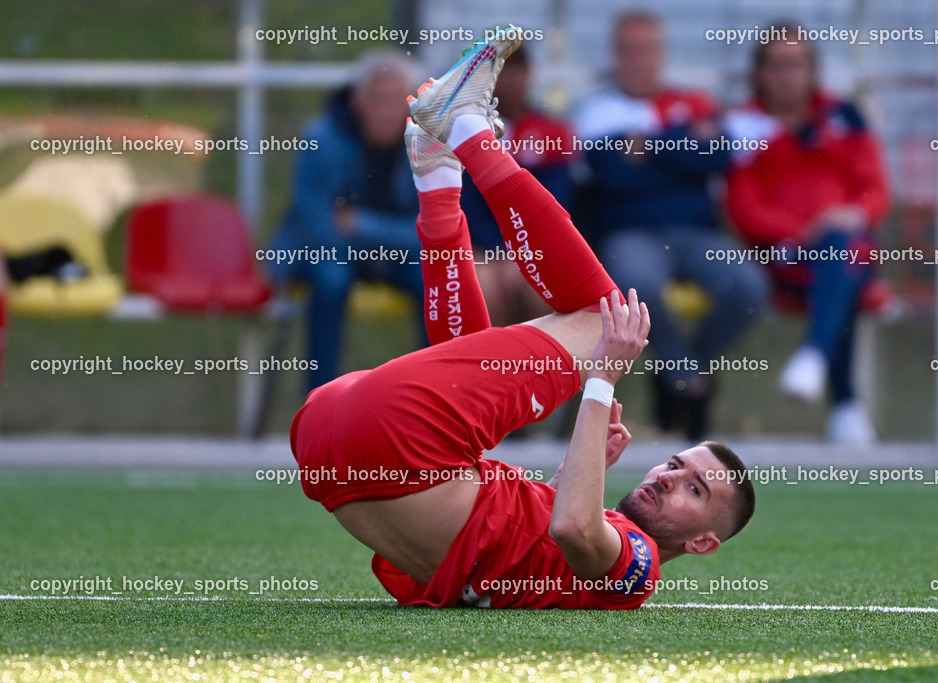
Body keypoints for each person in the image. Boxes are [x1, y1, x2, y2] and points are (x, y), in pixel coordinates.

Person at [289, 28, 755, 610]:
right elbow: (520, 540)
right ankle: (438, 175)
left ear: (705, 542)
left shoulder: (638, 569)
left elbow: (575, 531)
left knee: (603, 319)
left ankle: (465, 132)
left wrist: (602, 380)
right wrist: (570, 475)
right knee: (479, 369)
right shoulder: (572, 560)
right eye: (676, 463)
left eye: (694, 488)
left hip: (384, 436)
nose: (666, 476)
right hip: (329, 442)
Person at [573, 11, 769, 439]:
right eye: (629, 50)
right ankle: (691, 384)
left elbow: (716, 156)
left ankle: (679, 373)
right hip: (630, 232)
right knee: (634, 283)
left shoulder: (693, 101)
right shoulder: (596, 110)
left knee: (749, 288)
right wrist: (681, 144)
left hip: (698, 233)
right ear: (616, 55)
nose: (639, 60)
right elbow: (612, 175)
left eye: (647, 49)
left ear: (662, 54)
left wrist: (648, 146)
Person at [723, 25, 891, 444]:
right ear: (759, 73)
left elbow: (875, 188)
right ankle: (845, 403)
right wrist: (805, 233)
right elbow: (743, 208)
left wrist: (855, 212)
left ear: (813, 70)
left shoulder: (845, 117)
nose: (786, 75)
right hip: (781, 257)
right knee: (840, 261)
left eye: (795, 64)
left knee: (841, 251)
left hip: (845, 246)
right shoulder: (744, 126)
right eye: (776, 65)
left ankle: (816, 358)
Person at [268, 50, 425, 391]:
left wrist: (361, 225)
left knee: (436, 276)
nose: (386, 112)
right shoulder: (321, 138)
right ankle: (320, 405)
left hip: (384, 251)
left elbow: (434, 231)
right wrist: (390, 235)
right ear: (357, 100)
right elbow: (318, 230)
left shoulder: (424, 143)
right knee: (330, 280)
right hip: (322, 253)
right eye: (377, 99)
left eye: (396, 101)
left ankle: (441, 404)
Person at [459, 45, 574, 327]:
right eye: (499, 71)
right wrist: (500, 253)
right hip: (481, 247)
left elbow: (553, 207)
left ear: (529, 75)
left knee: (542, 290)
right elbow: (465, 206)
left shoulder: (551, 133)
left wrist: (520, 254)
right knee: (479, 290)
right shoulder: (464, 131)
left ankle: (533, 369)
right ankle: (484, 369)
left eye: (516, 70)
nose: (508, 80)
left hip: (533, 246)